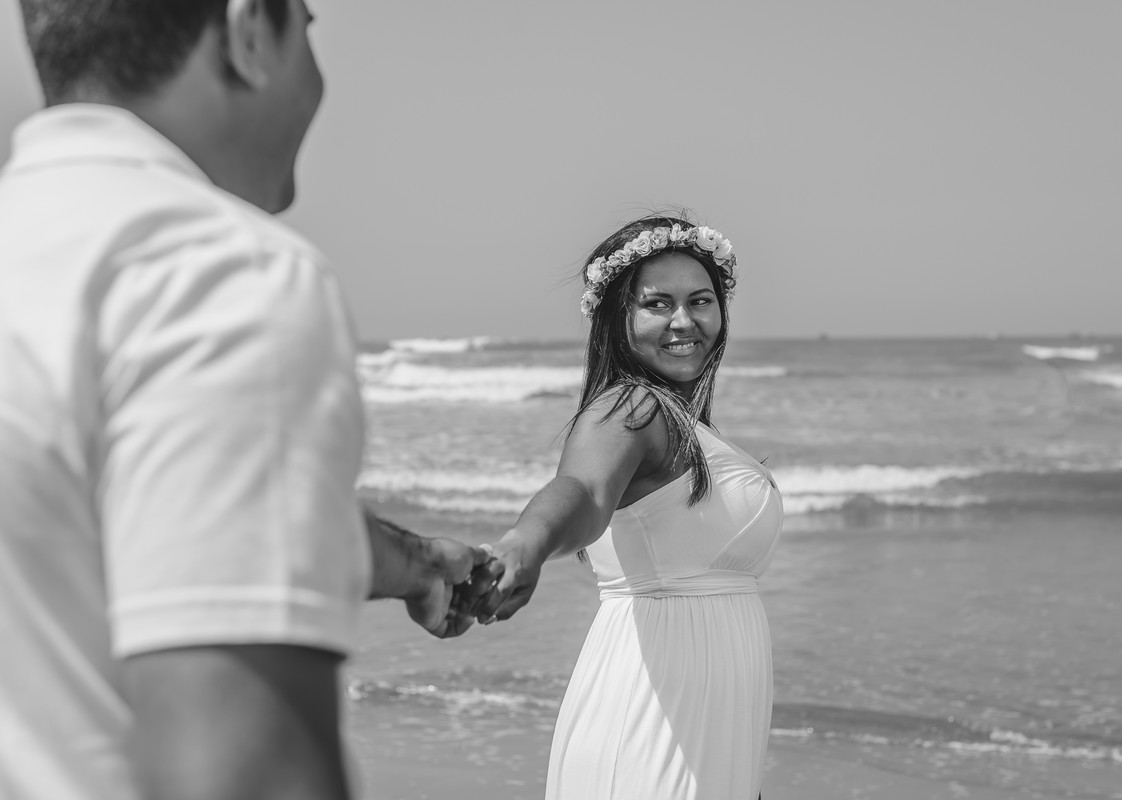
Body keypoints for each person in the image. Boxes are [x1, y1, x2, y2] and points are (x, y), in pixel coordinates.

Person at [0, 2, 485, 799]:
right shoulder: (212, 276)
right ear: (248, 32)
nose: (318, 78)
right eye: (310, 29)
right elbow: (242, 771)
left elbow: (142, 515)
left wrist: (421, 566)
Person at [466, 216, 784, 799]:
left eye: (700, 301)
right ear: (620, 317)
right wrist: (523, 545)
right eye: (658, 303)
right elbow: (582, 492)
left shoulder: (681, 423)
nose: (684, 321)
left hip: (708, 740)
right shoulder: (632, 408)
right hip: (650, 724)